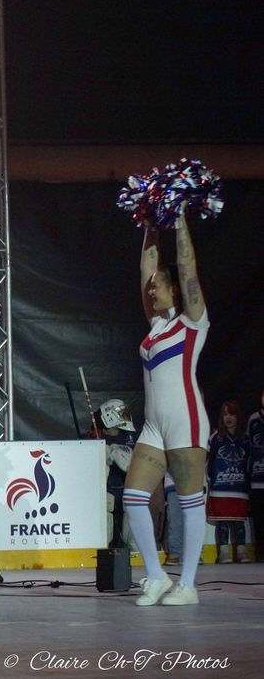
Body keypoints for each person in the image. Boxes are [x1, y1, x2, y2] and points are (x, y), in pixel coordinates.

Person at [124, 214, 209, 606]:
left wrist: (178, 218)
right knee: (133, 496)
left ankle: (187, 585)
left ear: (175, 289)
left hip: (185, 422)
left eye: (158, 285)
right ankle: (157, 577)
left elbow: (188, 265)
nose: (151, 289)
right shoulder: (156, 325)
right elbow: (146, 266)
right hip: (154, 426)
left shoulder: (193, 322)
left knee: (189, 503)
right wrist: (150, 220)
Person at [206, 400, 250, 563]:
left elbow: (249, 462)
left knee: (239, 522)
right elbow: (208, 462)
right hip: (220, 488)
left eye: (232, 414)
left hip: (240, 489)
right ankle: (224, 553)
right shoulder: (215, 438)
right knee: (222, 521)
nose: (228, 418)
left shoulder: (245, 439)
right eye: (225, 414)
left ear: (238, 417)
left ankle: (241, 551)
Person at [94, 399, 137, 548]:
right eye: (121, 413)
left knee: (132, 514)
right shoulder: (94, 437)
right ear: (109, 415)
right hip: (106, 489)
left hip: (126, 487)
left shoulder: (131, 438)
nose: (125, 416)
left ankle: (132, 548)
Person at [246, 388, 264, 562]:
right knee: (259, 519)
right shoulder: (254, 420)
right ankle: (260, 552)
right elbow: (248, 448)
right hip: (257, 479)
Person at [162, 472, 183, 565]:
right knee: (174, 521)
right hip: (172, 483)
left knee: (193, 521)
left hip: (193, 485)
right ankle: (175, 553)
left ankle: (192, 553)